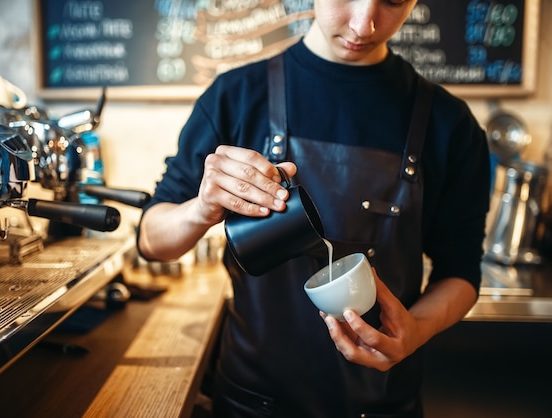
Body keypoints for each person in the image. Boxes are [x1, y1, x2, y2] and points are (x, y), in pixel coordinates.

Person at [137, 0, 490, 416]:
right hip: (251, 403)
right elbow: (152, 239)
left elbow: (461, 271)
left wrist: (415, 332)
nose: (364, 24)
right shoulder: (234, 97)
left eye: (393, 1)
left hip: (382, 403)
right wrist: (201, 209)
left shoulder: (450, 124)